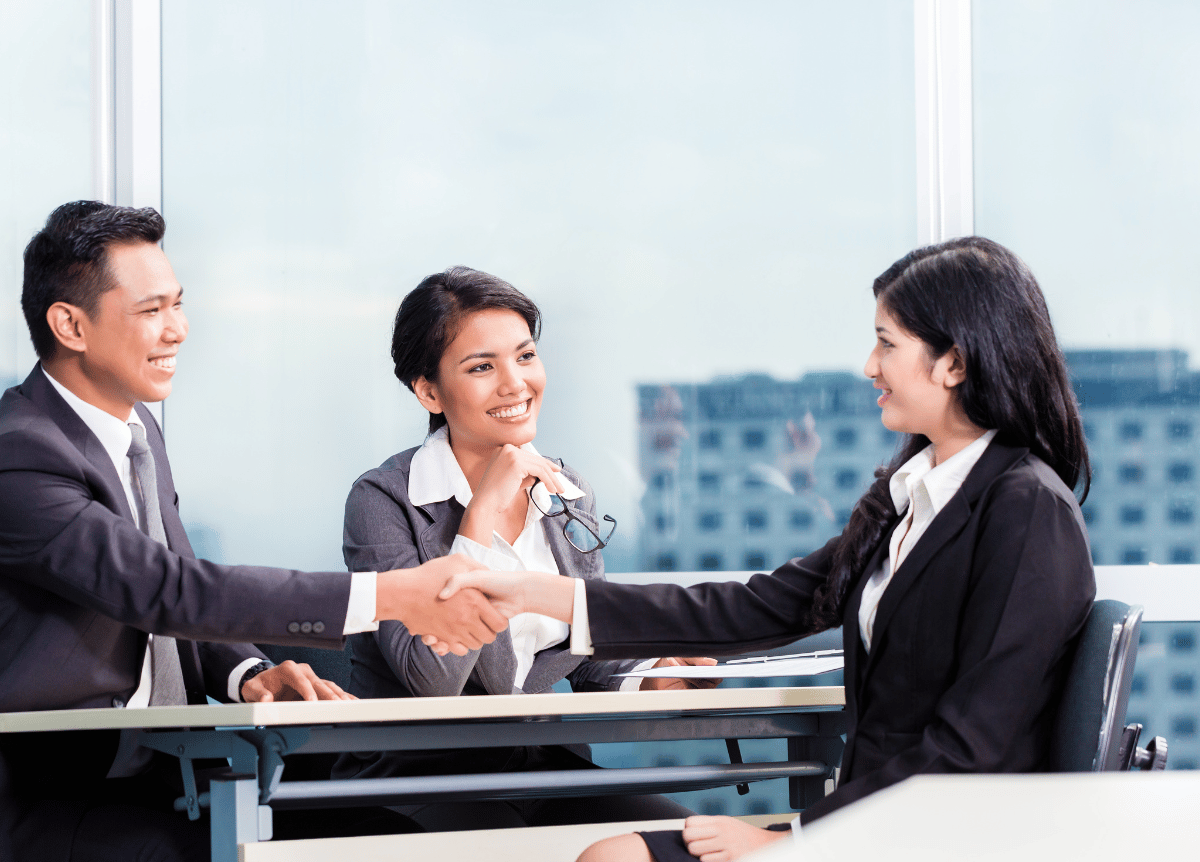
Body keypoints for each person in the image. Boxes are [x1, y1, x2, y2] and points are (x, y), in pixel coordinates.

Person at [441, 237, 1097, 861]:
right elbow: (750, 608)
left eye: (886, 343)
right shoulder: (913, 499)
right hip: (870, 824)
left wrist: (796, 839)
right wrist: (541, 595)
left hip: (934, 841)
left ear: (953, 363)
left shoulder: (1025, 510)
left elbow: (972, 748)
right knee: (613, 853)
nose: (870, 366)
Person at [0, 202, 507, 862]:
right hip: (62, 796)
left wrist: (247, 675)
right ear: (70, 325)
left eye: (178, 304)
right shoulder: (21, 453)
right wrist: (390, 595)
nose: (178, 330)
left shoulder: (133, 430)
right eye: (152, 310)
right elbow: (167, 590)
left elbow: (177, 595)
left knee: (392, 842)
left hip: (171, 774)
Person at [332, 266, 715, 831]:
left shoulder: (565, 490)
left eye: (526, 356)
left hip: (542, 770)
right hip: (415, 777)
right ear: (428, 391)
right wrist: (481, 517)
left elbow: (584, 650)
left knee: (680, 843)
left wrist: (647, 675)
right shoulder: (384, 501)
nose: (515, 383)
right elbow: (431, 680)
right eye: (481, 367)